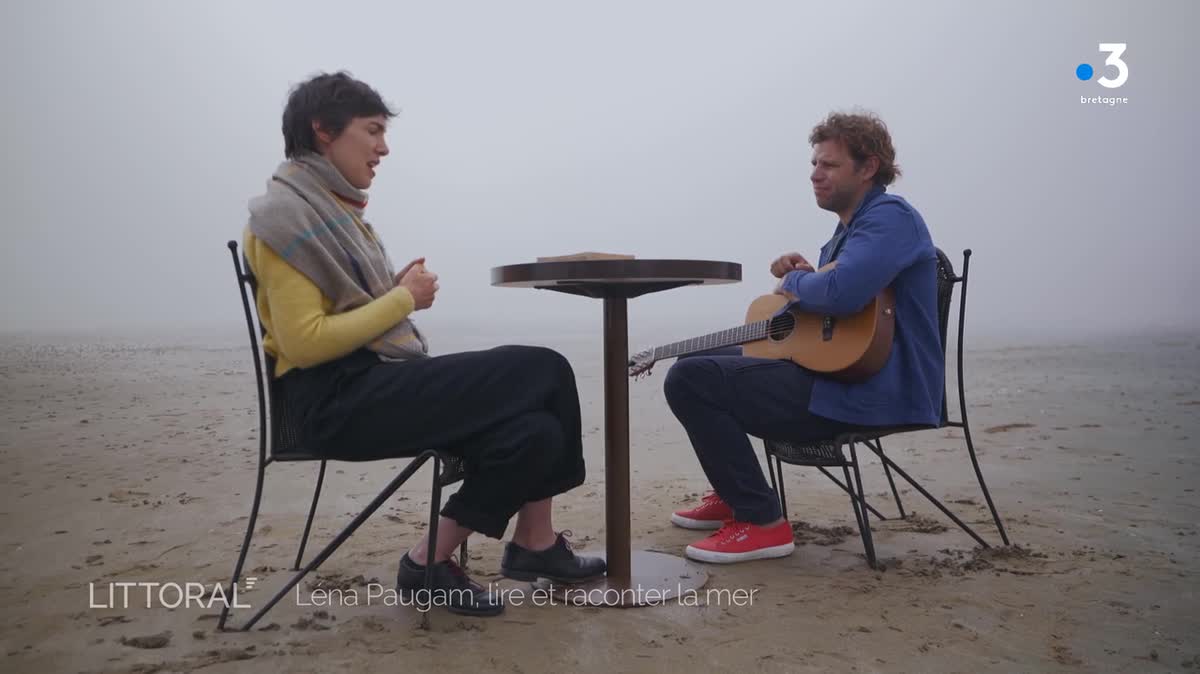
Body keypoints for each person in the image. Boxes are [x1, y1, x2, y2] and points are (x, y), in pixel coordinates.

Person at [242, 71, 605, 616]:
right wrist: (402, 301)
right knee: (545, 370)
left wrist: (388, 294)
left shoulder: (330, 210)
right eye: (372, 131)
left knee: (535, 432)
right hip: (332, 401)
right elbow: (307, 342)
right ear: (323, 130)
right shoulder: (284, 219)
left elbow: (337, 317)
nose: (383, 148)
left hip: (366, 384)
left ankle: (428, 564)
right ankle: (535, 544)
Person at [663, 111, 944, 564]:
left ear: (868, 167)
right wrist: (808, 278)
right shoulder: (848, 232)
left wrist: (794, 286)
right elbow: (836, 309)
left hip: (873, 389)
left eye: (829, 165)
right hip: (842, 375)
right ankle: (735, 492)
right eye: (814, 164)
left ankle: (761, 522)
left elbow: (842, 293)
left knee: (693, 380)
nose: (815, 175)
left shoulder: (891, 218)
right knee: (693, 362)